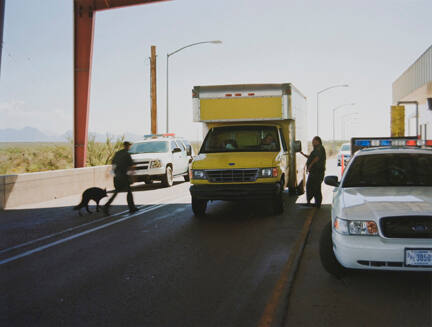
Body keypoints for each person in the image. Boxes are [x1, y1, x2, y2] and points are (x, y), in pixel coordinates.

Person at [103, 141, 138, 214]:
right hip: (124, 176)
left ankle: (107, 206)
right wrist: (132, 177)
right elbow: (131, 167)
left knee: (117, 191)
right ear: (128, 146)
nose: (129, 147)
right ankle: (132, 207)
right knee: (128, 191)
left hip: (117, 176)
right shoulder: (127, 154)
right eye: (129, 146)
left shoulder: (118, 153)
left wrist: (112, 174)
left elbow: (113, 165)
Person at [300, 136, 326, 208]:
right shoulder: (316, 149)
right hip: (314, 172)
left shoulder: (319, 148)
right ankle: (312, 202)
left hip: (317, 172)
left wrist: (310, 166)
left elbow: (316, 158)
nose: (312, 143)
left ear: (318, 141)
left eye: (314, 141)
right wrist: (303, 154)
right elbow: (311, 157)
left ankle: (317, 204)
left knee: (315, 187)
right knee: (312, 186)